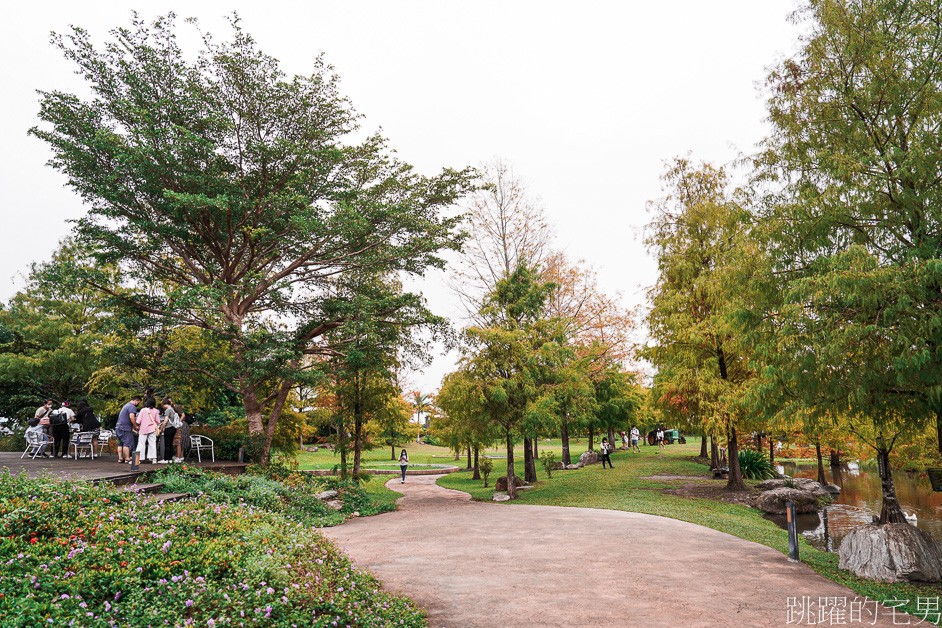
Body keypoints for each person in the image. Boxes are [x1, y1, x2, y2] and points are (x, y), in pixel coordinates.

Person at [115, 396, 142, 463]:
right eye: (138, 402)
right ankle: (127, 458)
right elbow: (131, 417)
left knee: (120, 443)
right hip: (125, 428)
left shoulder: (126, 405)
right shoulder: (132, 407)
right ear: (136, 400)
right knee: (126, 443)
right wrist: (135, 426)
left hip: (118, 427)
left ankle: (120, 458)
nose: (138, 404)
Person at [135, 398, 161, 464]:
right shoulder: (156, 411)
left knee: (141, 444)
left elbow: (138, 421)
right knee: (152, 443)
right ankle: (153, 459)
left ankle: (139, 459)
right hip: (152, 429)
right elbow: (158, 421)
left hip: (143, 429)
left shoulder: (143, 410)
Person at [158, 398, 183, 463]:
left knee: (167, 444)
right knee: (171, 443)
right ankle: (170, 459)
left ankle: (166, 459)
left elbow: (166, 420)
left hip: (168, 428)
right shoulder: (173, 410)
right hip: (173, 428)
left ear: (165, 404)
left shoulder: (168, 410)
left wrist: (161, 428)